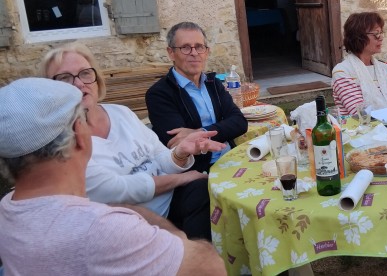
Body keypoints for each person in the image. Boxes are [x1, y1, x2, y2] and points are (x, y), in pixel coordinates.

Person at [0, 78, 225, 275]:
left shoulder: (7, 210)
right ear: (80, 135)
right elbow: (212, 267)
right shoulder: (102, 229)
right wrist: (173, 235)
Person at [41, 43, 225, 241]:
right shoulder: (60, 139)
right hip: (125, 227)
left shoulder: (120, 113)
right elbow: (118, 190)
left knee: (207, 190)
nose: (78, 84)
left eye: (85, 73)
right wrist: (184, 177)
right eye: (64, 78)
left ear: (96, 79)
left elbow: (159, 157)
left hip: (170, 202)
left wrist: (180, 153)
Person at [146, 21, 247, 173]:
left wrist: (198, 131)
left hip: (229, 158)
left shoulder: (213, 83)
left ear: (206, 52)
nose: (194, 53)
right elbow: (177, 142)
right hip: (197, 171)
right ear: (171, 53)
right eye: (185, 47)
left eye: (199, 47)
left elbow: (239, 122)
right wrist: (222, 129)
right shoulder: (159, 94)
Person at [332, 12, 387, 115]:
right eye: (376, 34)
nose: (381, 37)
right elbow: (359, 113)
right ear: (358, 37)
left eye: (381, 33)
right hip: (358, 130)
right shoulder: (343, 71)